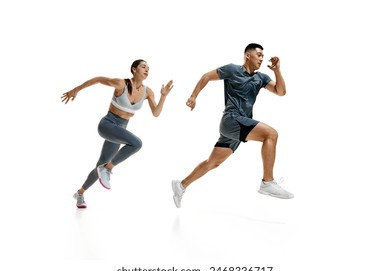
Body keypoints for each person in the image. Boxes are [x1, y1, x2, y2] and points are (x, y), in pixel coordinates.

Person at [171, 43, 293, 208]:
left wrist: (277, 70)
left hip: (238, 126)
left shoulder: (260, 78)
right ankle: (267, 182)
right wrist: (193, 96)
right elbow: (206, 76)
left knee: (212, 163)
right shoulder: (232, 70)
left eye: (263, 56)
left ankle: (181, 185)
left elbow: (280, 91)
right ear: (247, 55)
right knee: (271, 134)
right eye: (259, 55)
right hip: (231, 120)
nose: (262, 58)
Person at [61, 59, 173, 208]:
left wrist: (163, 96)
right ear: (134, 69)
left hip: (120, 131)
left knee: (99, 166)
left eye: (148, 68)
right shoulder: (121, 84)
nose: (147, 70)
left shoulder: (148, 92)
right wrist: (75, 90)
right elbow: (99, 79)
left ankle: (80, 193)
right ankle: (108, 169)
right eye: (143, 67)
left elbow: (156, 113)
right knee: (137, 144)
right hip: (107, 125)